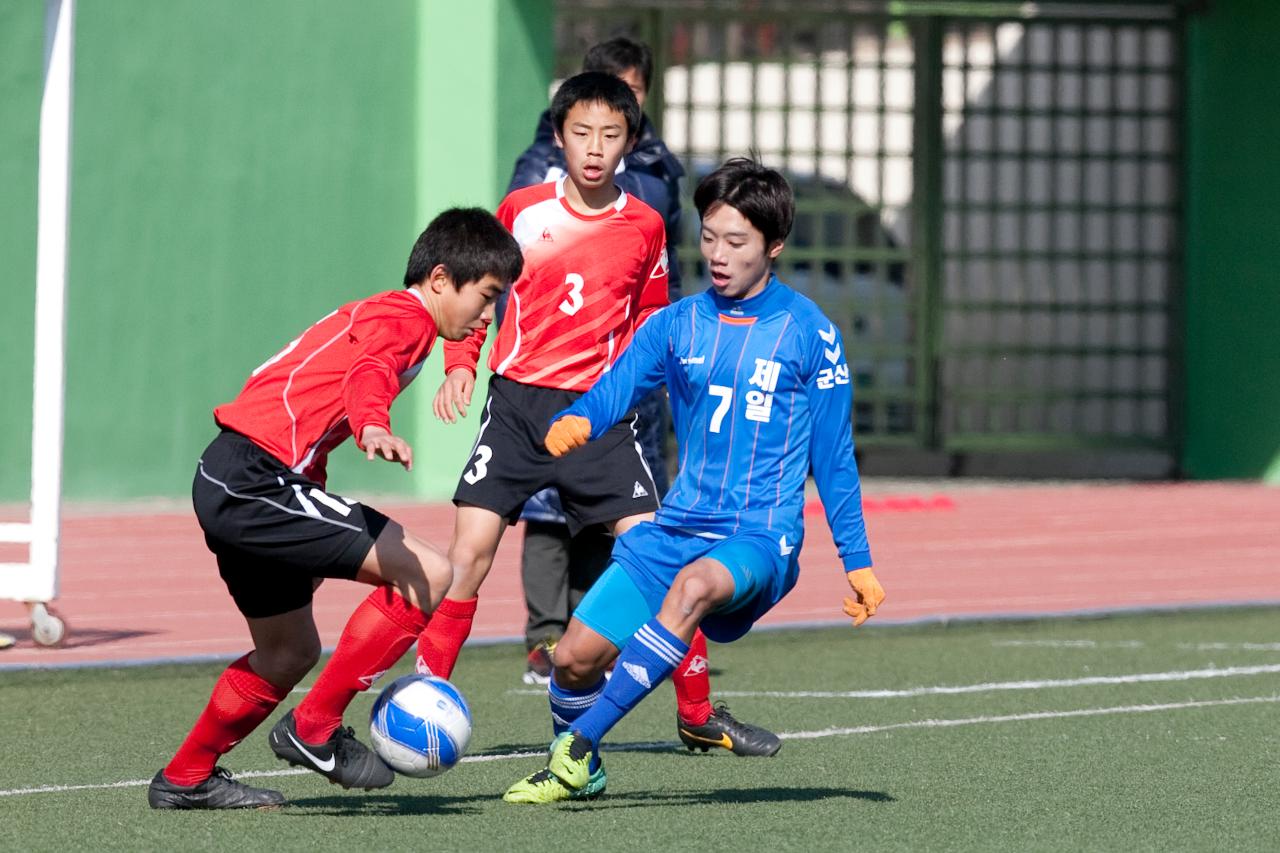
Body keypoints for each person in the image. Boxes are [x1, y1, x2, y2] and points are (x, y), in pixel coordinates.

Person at [503, 157, 886, 804]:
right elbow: (614, 389)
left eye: (736, 241)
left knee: (695, 585)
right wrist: (576, 420)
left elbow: (835, 457)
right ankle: (585, 770)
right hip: (678, 527)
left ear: (775, 245)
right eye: (709, 236)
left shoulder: (811, 334)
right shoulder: (675, 324)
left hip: (759, 536)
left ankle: (575, 751)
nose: (717, 253)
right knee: (572, 658)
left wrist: (860, 562)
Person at [147, 208, 523, 810]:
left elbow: (452, 335)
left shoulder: (414, 316)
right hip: (255, 479)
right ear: (440, 280)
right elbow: (369, 371)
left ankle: (185, 776)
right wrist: (374, 422)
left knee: (287, 653)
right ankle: (314, 726)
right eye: (485, 298)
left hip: (236, 477)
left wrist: (460, 365)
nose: (488, 315)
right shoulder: (402, 321)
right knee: (430, 571)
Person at [502, 40, 778, 761]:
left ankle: (691, 710)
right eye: (590, 119)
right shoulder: (538, 178)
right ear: (569, 117)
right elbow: (521, 284)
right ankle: (534, 651)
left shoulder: (658, 172)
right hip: (553, 391)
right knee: (541, 522)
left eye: (623, 109)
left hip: (632, 387)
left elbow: (664, 283)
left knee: (654, 540)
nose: (602, 139)